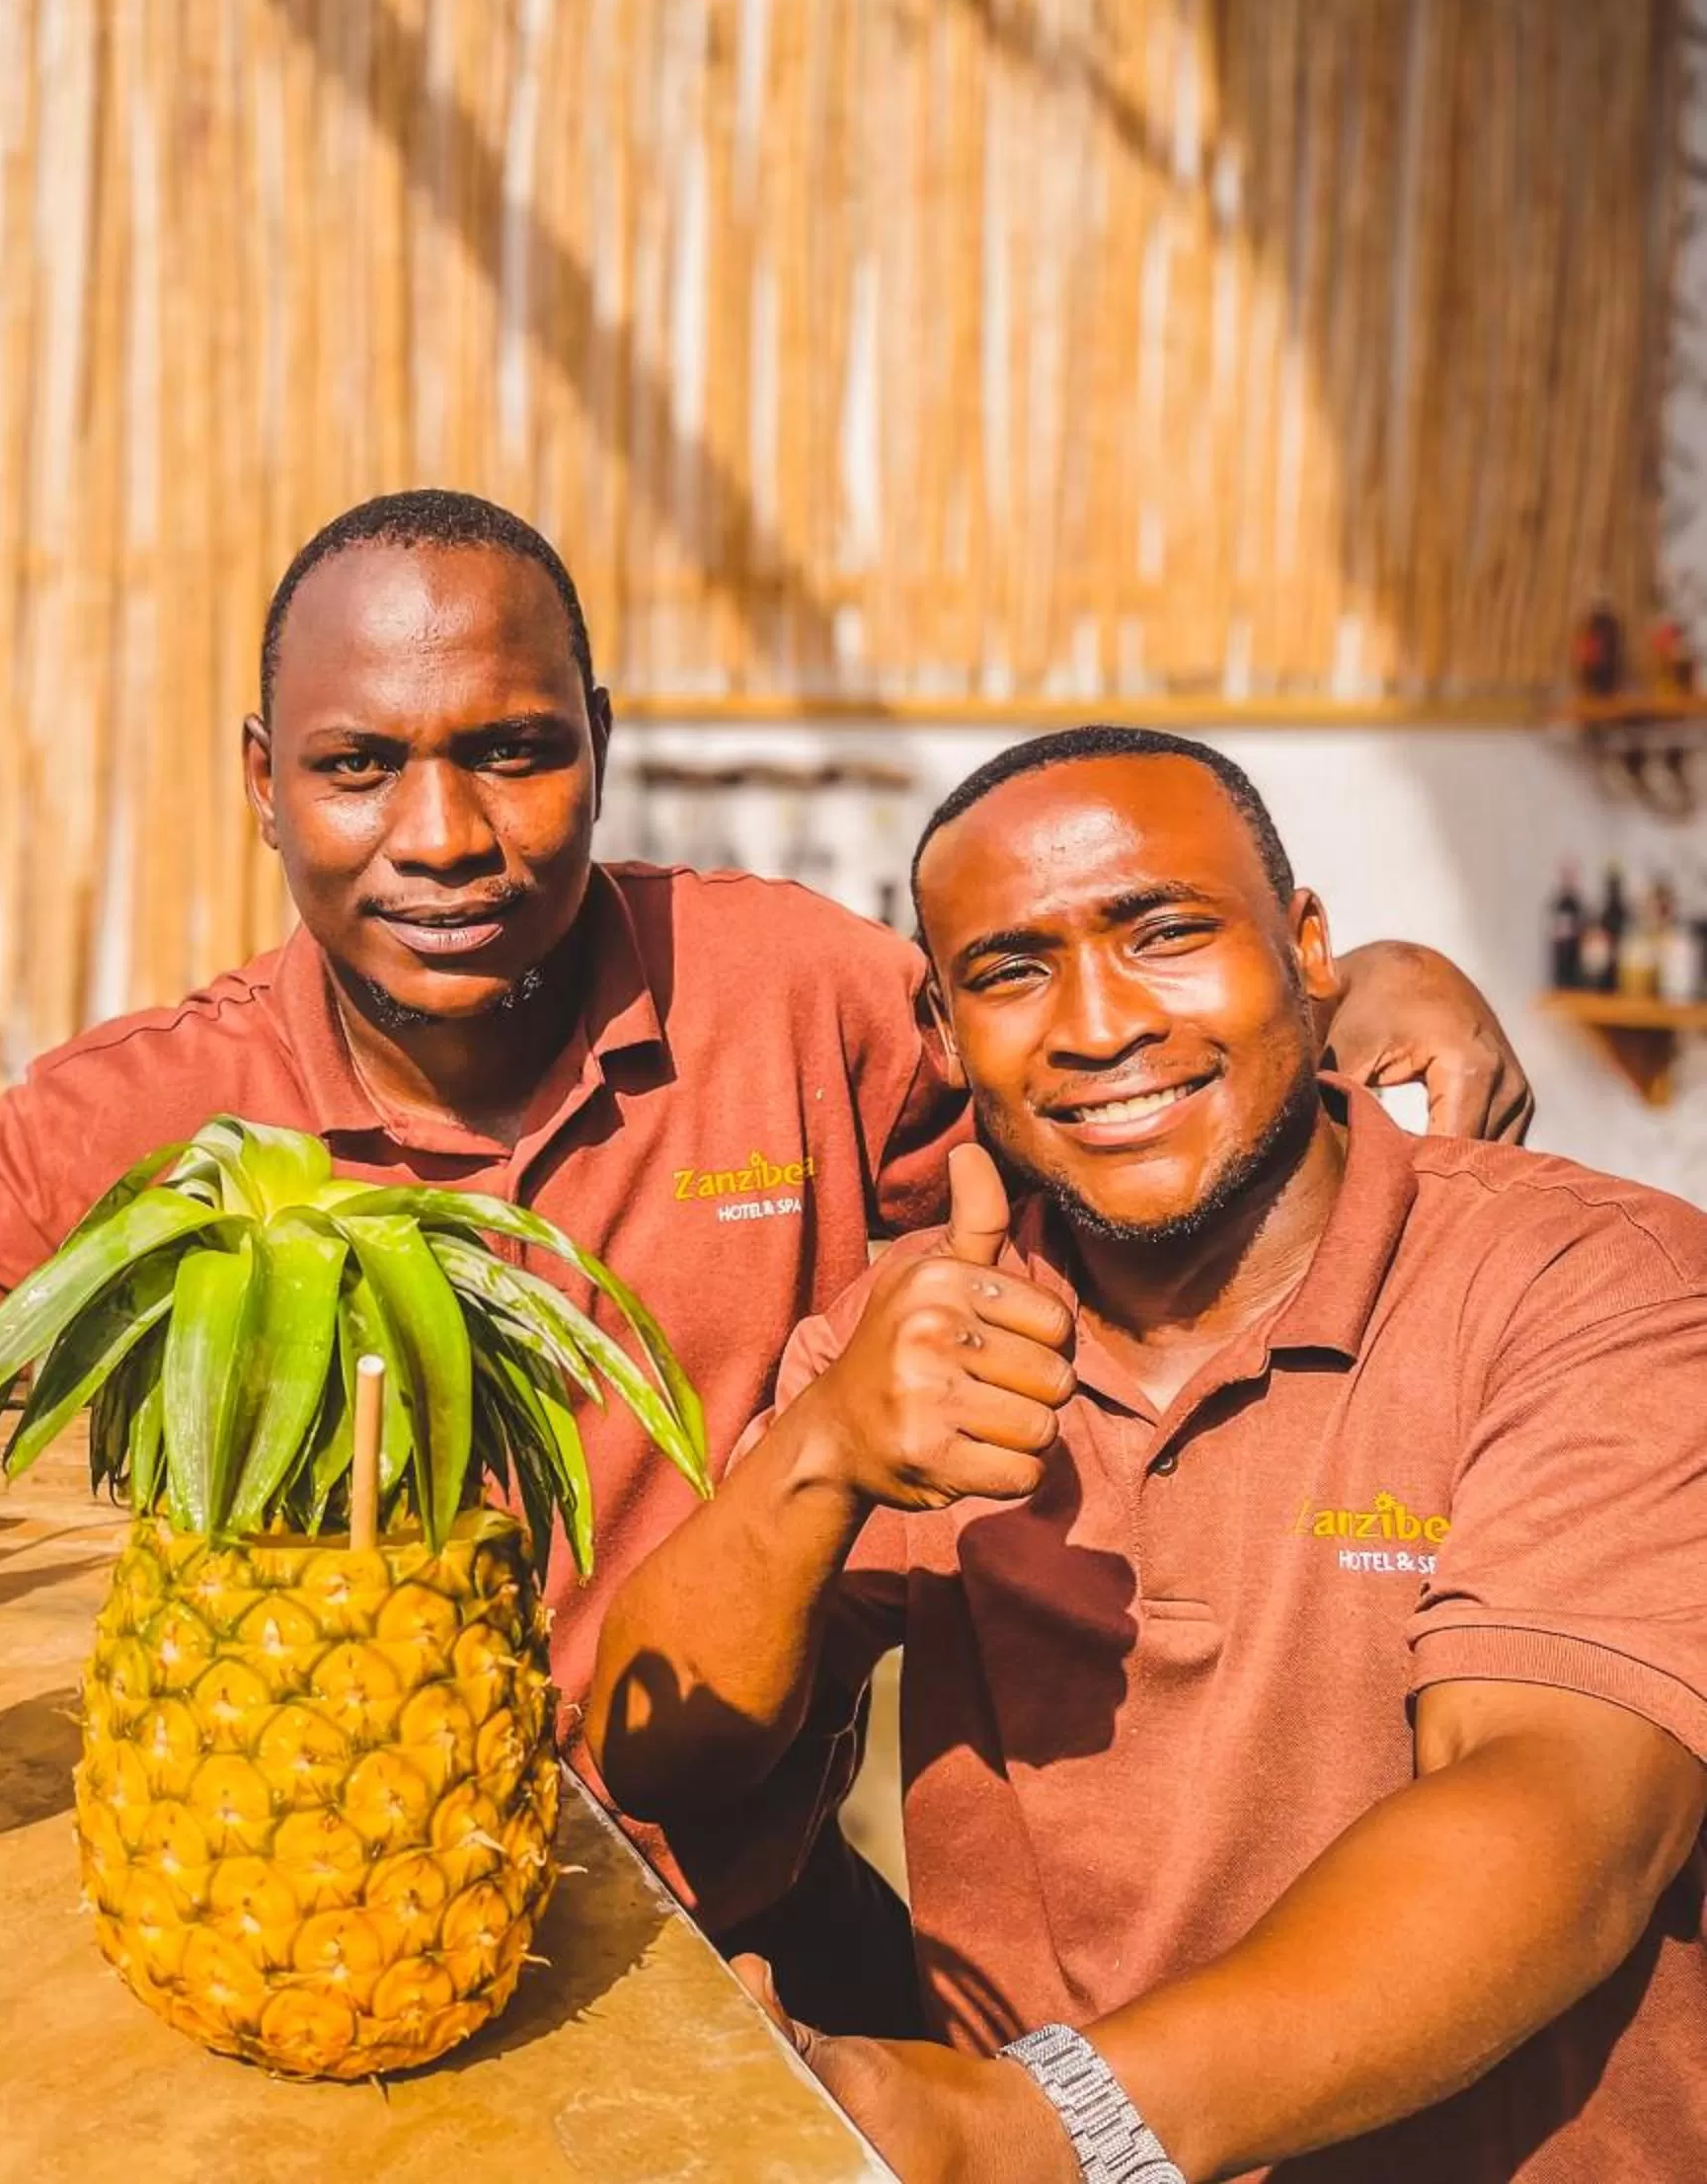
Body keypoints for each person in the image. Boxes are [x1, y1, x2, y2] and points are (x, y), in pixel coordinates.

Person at [0, 489, 1524, 1991]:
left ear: (596, 745)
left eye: (511, 752)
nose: (443, 836)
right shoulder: (149, 1112)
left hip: (745, 1897)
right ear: (267, 788)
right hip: (301, 1908)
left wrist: (1363, 989)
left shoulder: (790, 989)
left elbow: (1079, 1033)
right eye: (362, 767)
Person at [587, 726, 1707, 2182]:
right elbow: (656, 1752)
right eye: (1010, 971)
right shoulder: (922, 1327)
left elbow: (1566, 1808)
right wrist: (820, 1457)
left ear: (1310, 950)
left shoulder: (1591, 1283)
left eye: (1165, 932)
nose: (1099, 1021)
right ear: (941, 1032)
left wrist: (1041, 2124)